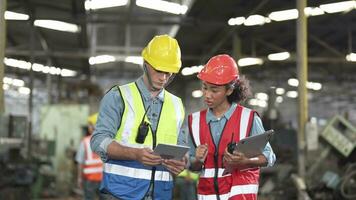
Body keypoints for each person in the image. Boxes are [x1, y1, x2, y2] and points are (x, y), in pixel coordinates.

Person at [90, 34, 187, 200]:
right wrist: (134, 154)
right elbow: (98, 141)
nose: (164, 78)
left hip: (160, 194)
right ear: (146, 64)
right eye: (159, 70)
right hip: (120, 193)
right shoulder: (118, 96)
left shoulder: (177, 105)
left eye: (169, 73)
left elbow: (181, 147)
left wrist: (182, 163)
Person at [187, 54, 276, 200]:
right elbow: (193, 167)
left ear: (229, 90)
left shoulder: (249, 119)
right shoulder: (194, 121)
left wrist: (245, 162)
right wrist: (197, 160)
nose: (207, 95)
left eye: (214, 90)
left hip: (239, 194)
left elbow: (269, 157)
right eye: (205, 88)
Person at [76, 113, 103, 200]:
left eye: (90, 125)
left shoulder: (85, 142)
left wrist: (79, 178)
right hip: (103, 179)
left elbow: (80, 162)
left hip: (89, 179)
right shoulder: (105, 141)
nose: (89, 127)